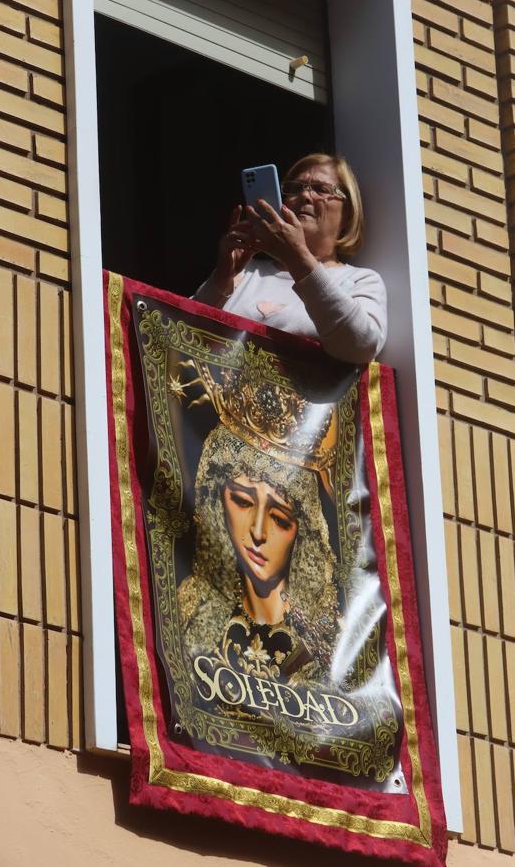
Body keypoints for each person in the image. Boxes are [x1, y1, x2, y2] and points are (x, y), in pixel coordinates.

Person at [177, 423, 340, 682]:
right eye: (242, 502)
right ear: (218, 505)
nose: (258, 531)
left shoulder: (329, 637)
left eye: (279, 518)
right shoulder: (193, 612)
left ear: (303, 532)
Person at [194, 153, 387, 364]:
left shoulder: (360, 280)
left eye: (321, 189)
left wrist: (299, 259)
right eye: (296, 188)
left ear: (348, 214)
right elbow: (182, 335)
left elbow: (360, 346)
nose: (305, 196)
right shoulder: (246, 272)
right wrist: (221, 279)